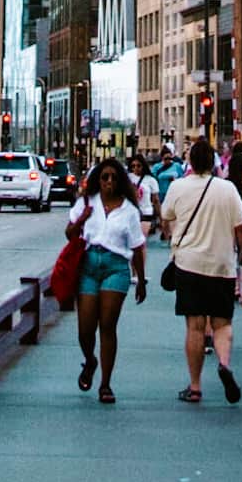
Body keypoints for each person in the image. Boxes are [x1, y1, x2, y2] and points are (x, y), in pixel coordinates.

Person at [161, 136, 242, 404]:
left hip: (189, 263)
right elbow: (241, 228)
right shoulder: (228, 189)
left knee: (195, 326)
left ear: (189, 161)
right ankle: (223, 363)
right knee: (222, 323)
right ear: (213, 162)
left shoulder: (178, 187)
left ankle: (196, 386)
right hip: (222, 264)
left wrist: (173, 240)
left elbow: (166, 219)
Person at [66, 158, 147, 403]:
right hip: (89, 265)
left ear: (120, 181)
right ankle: (90, 360)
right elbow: (69, 234)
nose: (109, 181)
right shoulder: (86, 203)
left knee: (108, 324)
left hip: (116, 266)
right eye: (104, 177)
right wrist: (82, 219)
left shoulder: (129, 211)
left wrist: (141, 280)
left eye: (113, 177)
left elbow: (137, 246)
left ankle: (105, 384)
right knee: (85, 329)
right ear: (97, 180)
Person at [128, 151, 162, 231]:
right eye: (133, 166)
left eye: (138, 166)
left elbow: (156, 200)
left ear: (143, 166)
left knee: (142, 239)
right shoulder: (127, 178)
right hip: (130, 213)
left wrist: (160, 217)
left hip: (146, 213)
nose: (135, 168)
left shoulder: (151, 180)